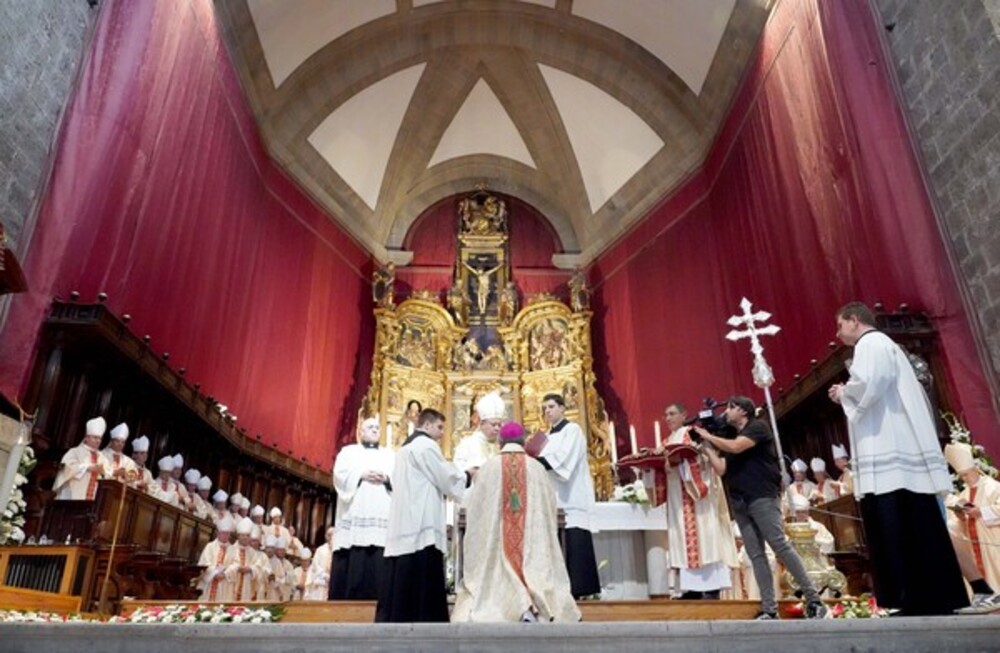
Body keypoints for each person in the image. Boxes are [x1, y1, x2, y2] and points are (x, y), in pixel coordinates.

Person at [828, 301, 968, 615]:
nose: (839, 333)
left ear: (854, 320)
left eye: (840, 326)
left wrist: (843, 394)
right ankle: (930, 596)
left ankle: (915, 598)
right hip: (897, 447)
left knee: (899, 525)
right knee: (918, 525)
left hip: (888, 447)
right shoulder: (884, 346)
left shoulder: (871, 343)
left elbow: (870, 386)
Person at [699, 396, 828, 619]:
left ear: (743, 411)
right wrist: (706, 447)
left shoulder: (757, 427)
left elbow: (738, 447)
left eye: (730, 407)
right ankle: (769, 608)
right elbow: (721, 469)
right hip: (740, 500)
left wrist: (708, 435)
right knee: (756, 555)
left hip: (761, 496)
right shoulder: (730, 435)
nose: (726, 412)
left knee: (779, 545)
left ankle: (813, 598)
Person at [452, 422, 580, 623]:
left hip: (497, 544)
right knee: (534, 565)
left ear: (500, 442)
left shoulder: (487, 468)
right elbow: (549, 505)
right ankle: (535, 603)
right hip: (531, 542)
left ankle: (506, 605)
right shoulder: (537, 468)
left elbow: (476, 511)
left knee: (494, 566)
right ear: (523, 441)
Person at [376, 408, 471, 622]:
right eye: (439, 427)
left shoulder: (404, 449)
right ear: (426, 425)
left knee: (403, 571)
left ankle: (396, 617)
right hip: (421, 518)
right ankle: (425, 619)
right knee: (423, 569)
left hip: (404, 520)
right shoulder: (426, 446)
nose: (441, 433)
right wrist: (467, 476)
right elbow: (444, 476)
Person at [659, 403, 737, 600]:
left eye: (672, 413)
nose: (668, 418)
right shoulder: (667, 440)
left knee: (705, 536)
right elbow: (664, 466)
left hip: (698, 496)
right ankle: (691, 588)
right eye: (666, 415)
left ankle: (712, 588)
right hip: (679, 496)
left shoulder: (693, 432)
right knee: (684, 540)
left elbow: (707, 457)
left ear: (684, 414)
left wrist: (682, 462)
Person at [535, 393, 600, 599]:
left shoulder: (573, 430)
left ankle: (580, 589)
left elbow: (563, 460)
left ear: (563, 408)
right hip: (552, 496)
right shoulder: (544, 437)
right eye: (544, 408)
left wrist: (536, 461)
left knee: (574, 537)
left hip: (570, 494)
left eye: (552, 406)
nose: (548, 411)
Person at [331, 417, 395, 600]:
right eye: (370, 427)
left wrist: (388, 479)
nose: (375, 430)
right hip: (356, 511)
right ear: (361, 431)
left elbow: (400, 478)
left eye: (377, 427)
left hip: (382, 513)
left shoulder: (390, 455)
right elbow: (339, 475)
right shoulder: (348, 452)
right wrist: (360, 475)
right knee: (355, 559)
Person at [943, 442, 1000, 608]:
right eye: (961, 476)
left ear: (975, 469)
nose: (964, 479)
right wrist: (959, 516)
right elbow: (956, 529)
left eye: (966, 474)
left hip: (993, 544)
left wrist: (981, 512)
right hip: (974, 547)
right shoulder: (963, 494)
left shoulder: (994, 487)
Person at [52, 417, 111, 500]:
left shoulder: (103, 458)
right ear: (86, 438)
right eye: (95, 437)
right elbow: (66, 468)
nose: (98, 441)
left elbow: (109, 475)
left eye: (100, 438)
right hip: (73, 494)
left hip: (94, 497)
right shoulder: (75, 452)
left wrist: (103, 472)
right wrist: (87, 467)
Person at [452, 392, 504, 473]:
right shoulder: (467, 444)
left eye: (499, 424)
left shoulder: (502, 446)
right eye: (493, 424)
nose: (497, 428)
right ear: (482, 423)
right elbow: (458, 473)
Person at [197, 515, 235, 602]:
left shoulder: (233, 549)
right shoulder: (210, 546)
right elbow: (204, 562)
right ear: (218, 533)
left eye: (227, 533)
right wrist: (214, 573)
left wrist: (225, 574)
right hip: (209, 582)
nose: (225, 535)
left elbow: (235, 565)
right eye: (223, 533)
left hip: (224, 583)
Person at [306, 526, 335, 600]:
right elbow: (316, 565)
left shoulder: (337, 550)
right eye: (328, 535)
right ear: (325, 536)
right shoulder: (320, 550)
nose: (330, 537)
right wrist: (324, 576)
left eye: (332, 534)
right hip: (321, 581)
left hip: (332, 583)